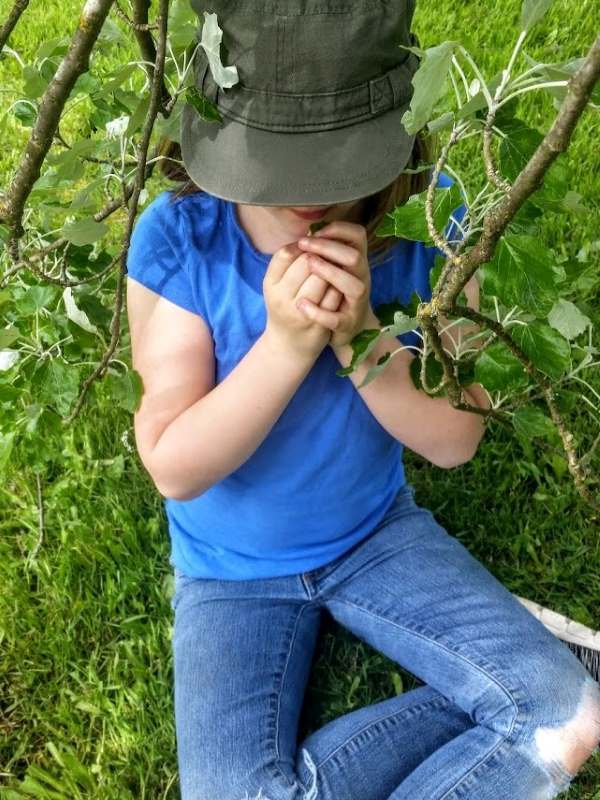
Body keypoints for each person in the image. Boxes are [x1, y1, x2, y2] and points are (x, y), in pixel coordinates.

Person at [125, 2, 600, 799]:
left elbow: (455, 441)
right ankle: (531, 655)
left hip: (374, 533)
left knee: (570, 717)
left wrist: (360, 339)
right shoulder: (183, 236)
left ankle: (540, 666)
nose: (308, 192)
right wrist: (283, 346)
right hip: (228, 571)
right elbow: (174, 466)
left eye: (335, 160)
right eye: (277, 162)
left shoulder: (432, 223)